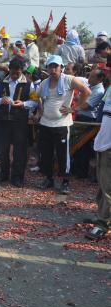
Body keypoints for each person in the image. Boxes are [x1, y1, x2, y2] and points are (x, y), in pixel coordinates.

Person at [34, 55, 91, 194]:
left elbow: (86, 91)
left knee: (62, 155)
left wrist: (74, 108)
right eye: (50, 67)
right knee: (46, 154)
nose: (53, 69)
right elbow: (37, 96)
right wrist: (40, 110)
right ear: (47, 68)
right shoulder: (44, 83)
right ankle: (49, 179)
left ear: (61, 68)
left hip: (62, 124)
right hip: (45, 123)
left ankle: (65, 182)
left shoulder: (69, 79)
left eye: (56, 66)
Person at [0, 58, 38, 187]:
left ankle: (17, 177)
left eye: (17, 73)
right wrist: (1, 100)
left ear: (21, 70)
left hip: (20, 122)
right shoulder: (2, 83)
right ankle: (3, 175)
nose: (14, 75)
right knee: (4, 150)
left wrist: (24, 103)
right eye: (12, 72)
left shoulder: (29, 84)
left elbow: (35, 102)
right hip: (4, 121)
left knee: (20, 151)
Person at [86, 68, 111, 240]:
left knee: (108, 186)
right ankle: (100, 215)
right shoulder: (109, 89)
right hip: (103, 143)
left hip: (109, 145)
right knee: (103, 185)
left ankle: (103, 223)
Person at [72, 69, 106, 178]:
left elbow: (86, 106)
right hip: (81, 117)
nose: (89, 79)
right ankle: (76, 170)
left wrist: (74, 108)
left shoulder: (99, 91)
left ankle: (81, 172)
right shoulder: (90, 87)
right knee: (76, 145)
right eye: (89, 76)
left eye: (92, 77)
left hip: (87, 120)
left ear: (100, 79)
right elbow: (78, 99)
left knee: (82, 146)